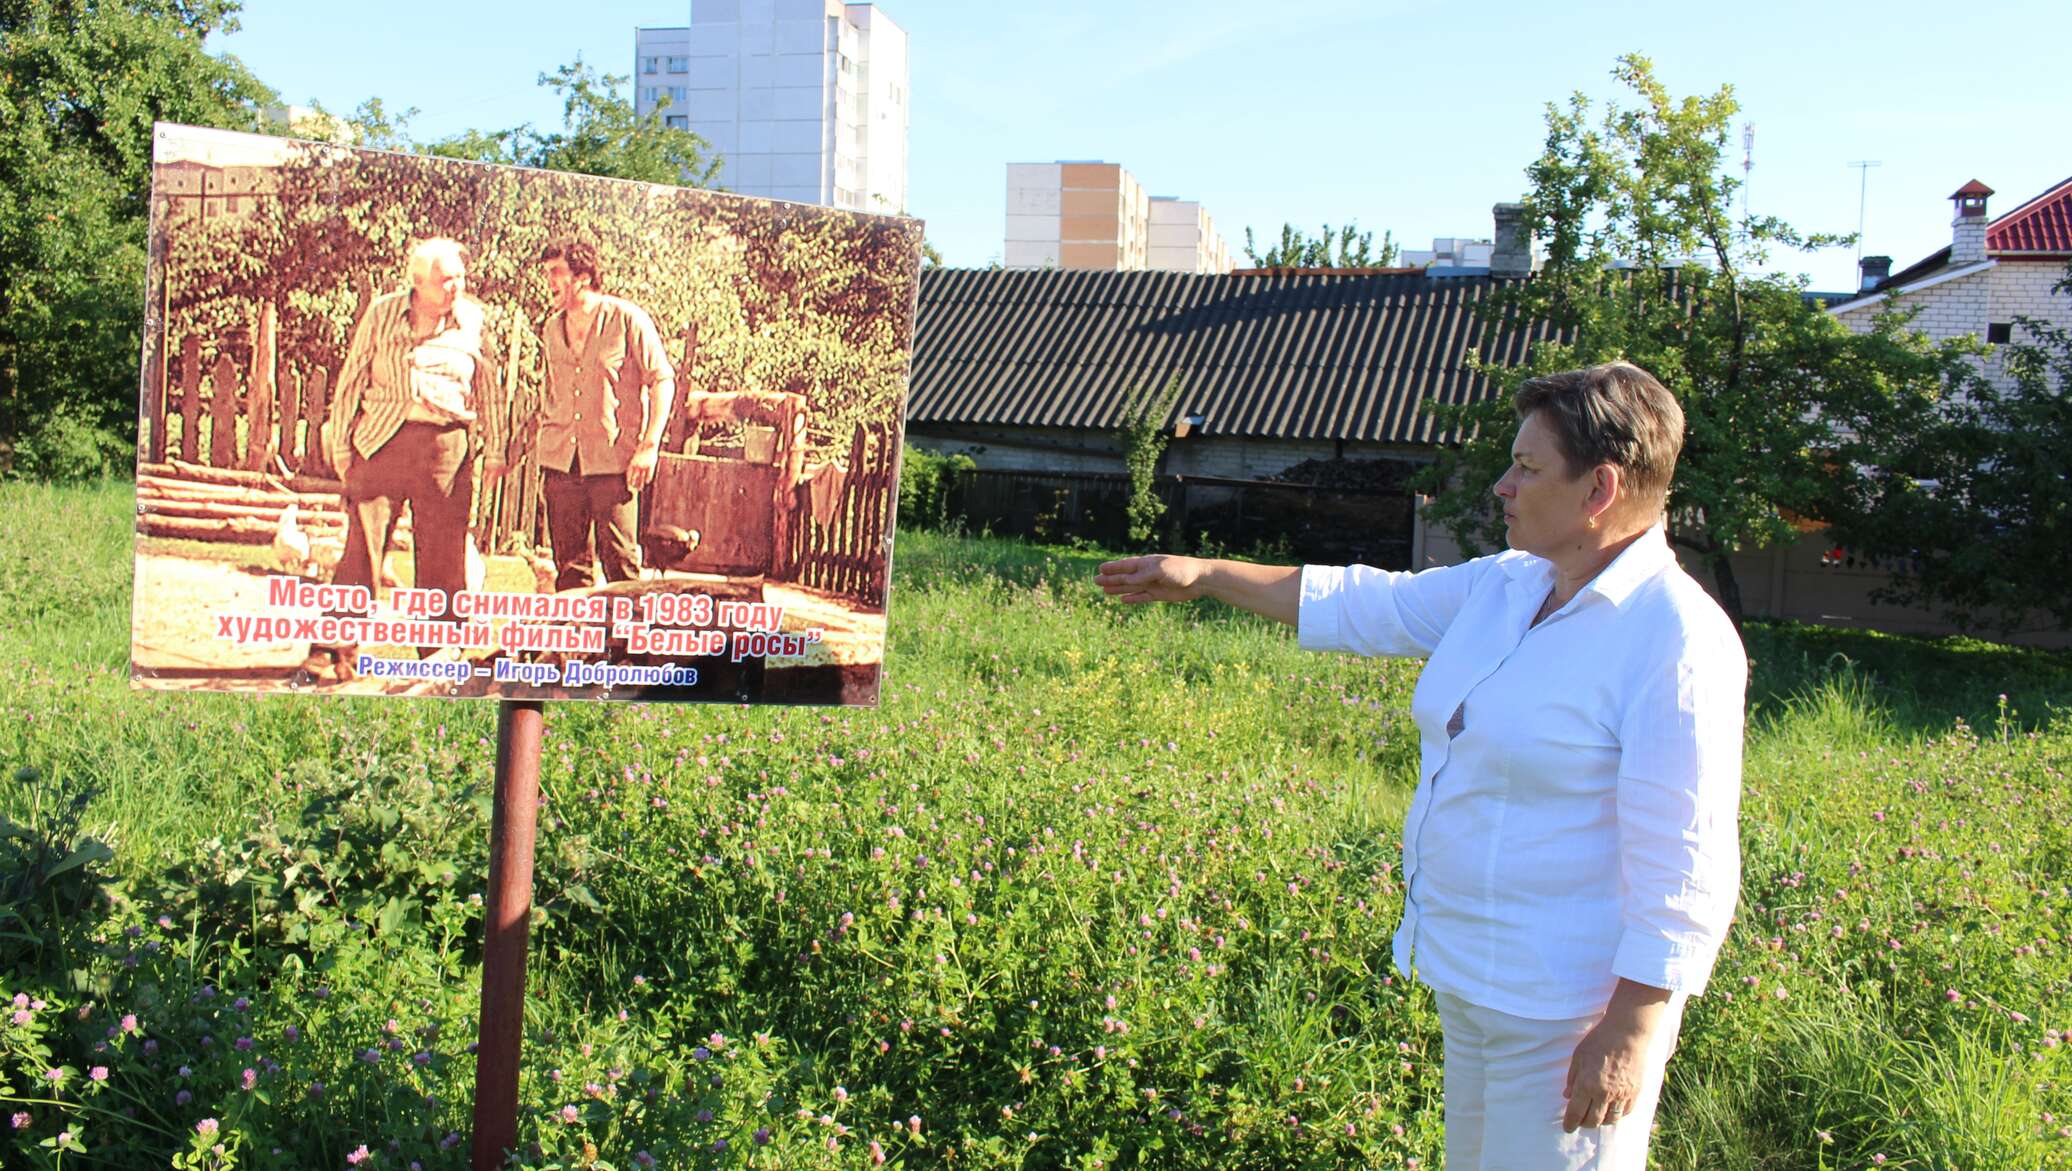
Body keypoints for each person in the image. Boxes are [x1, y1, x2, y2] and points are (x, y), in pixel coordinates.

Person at [1095, 362, 1744, 1170]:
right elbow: (1368, 602)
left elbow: (1689, 862)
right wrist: (1204, 574)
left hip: (1567, 1013)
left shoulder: (1673, 636)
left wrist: (1634, 1028)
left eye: (1528, 468)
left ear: (1600, 490)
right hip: (1471, 977)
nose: (1504, 485)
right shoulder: (1510, 585)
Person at [301, 238, 506, 682]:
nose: (456, 286)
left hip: (446, 447)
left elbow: (490, 385)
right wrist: (342, 447)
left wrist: (497, 449)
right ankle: (334, 653)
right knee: (362, 551)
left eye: (459, 277)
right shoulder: (382, 313)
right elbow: (352, 378)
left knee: (443, 557)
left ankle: (440, 660)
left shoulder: (473, 319)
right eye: (445, 280)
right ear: (418, 283)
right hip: (382, 443)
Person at [531, 239, 677, 591]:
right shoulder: (551, 328)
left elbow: (662, 379)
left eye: (556, 273)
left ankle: (627, 646)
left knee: (621, 562)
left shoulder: (627, 319)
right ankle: (577, 644)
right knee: (569, 567)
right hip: (561, 462)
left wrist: (649, 445)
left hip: (613, 463)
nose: (549, 281)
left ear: (582, 276)